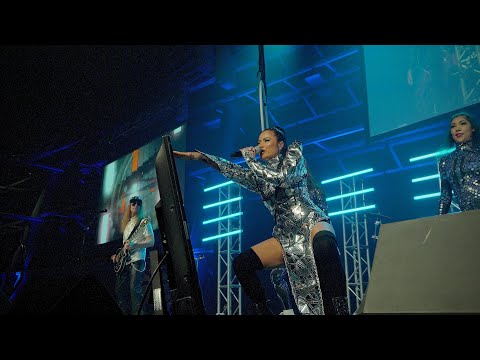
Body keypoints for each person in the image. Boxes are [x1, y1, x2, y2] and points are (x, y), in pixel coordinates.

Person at [173, 126, 349, 315]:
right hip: (286, 235)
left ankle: (339, 310)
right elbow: (232, 170)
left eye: (266, 140)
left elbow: (281, 178)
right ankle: (264, 311)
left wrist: (249, 158)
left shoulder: (295, 154)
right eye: (258, 142)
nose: (260, 145)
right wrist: (201, 157)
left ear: (280, 144)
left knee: (325, 245)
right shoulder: (259, 178)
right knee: (242, 264)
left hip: (311, 220)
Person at [110, 195, 155, 315]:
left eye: (138, 203)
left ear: (141, 206)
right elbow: (125, 247)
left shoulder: (144, 222)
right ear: (130, 206)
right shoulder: (127, 224)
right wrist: (118, 256)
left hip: (137, 260)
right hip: (125, 262)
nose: (135, 205)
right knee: (119, 291)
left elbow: (151, 241)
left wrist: (135, 245)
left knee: (135, 290)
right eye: (133, 203)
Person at [438, 112, 480, 215]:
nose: (457, 128)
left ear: (473, 128)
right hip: (467, 219)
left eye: (462, 123)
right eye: (453, 126)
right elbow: (446, 196)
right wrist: (438, 220)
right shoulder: (445, 161)